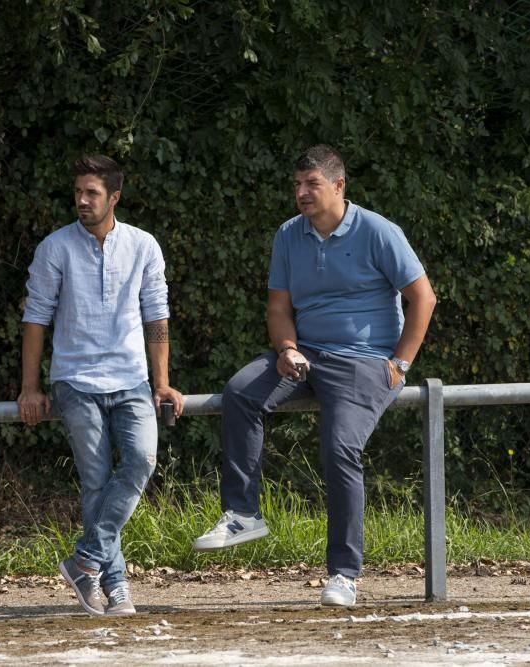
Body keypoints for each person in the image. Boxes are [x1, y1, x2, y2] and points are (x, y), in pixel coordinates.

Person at [192, 144, 436, 608]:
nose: (301, 194)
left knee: (339, 446)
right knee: (240, 392)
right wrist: (287, 349)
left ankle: (344, 574)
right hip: (306, 353)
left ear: (339, 186)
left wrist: (400, 363)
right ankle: (243, 513)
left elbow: (423, 298)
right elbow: (279, 307)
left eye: (312, 185)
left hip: (365, 360)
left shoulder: (378, 231)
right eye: (297, 185)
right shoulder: (289, 235)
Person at [19, 155, 184, 617]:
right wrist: (31, 388)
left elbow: (157, 315)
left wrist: (163, 382)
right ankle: (116, 587)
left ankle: (85, 561)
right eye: (78, 192)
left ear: (114, 197)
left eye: (92, 193)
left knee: (141, 459)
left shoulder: (144, 245)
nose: (82, 200)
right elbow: (36, 318)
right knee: (94, 482)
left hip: (131, 379)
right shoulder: (56, 247)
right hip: (75, 380)